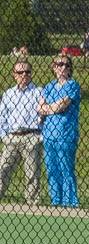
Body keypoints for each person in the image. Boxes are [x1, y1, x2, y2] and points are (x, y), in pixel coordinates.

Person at [38, 54, 81, 207]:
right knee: (51, 169)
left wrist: (48, 108)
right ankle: (56, 201)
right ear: (54, 67)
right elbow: (40, 108)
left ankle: (70, 202)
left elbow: (62, 105)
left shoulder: (72, 85)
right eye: (59, 64)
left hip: (66, 134)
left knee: (66, 168)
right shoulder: (48, 87)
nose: (62, 67)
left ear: (70, 69)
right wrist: (51, 108)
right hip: (49, 134)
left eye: (66, 65)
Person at [0, 60, 44, 205]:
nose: (24, 74)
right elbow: (2, 117)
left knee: (32, 172)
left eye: (27, 72)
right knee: (3, 169)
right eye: (20, 72)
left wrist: (40, 136)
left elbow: (44, 115)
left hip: (32, 135)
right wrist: (4, 136)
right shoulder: (9, 94)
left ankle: (33, 203)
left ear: (31, 74)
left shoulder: (38, 92)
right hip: (12, 136)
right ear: (14, 75)